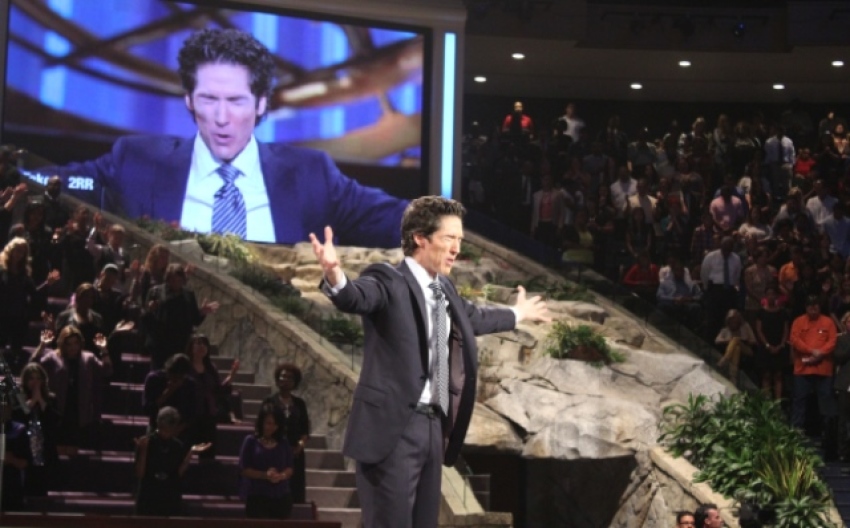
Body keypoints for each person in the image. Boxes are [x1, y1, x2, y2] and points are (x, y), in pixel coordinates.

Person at [42, 28, 407, 247]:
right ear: (189, 100)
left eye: (235, 101)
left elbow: (396, 219)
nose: (220, 118)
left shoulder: (311, 175)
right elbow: (50, 182)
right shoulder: (136, 160)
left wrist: (446, 226)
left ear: (262, 103)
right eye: (207, 100)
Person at [310, 196, 549, 528]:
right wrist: (335, 275)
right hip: (394, 429)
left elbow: (473, 318)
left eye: (460, 240)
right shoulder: (387, 280)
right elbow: (355, 297)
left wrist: (517, 314)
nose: (456, 248)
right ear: (420, 237)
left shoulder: (445, 290)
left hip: (434, 427)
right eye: (449, 238)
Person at [30, 326, 112, 455]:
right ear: (63, 344)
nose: (73, 347)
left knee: (75, 450)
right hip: (59, 409)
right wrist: (42, 346)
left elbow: (107, 371)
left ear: (80, 343)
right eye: (69, 344)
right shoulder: (53, 357)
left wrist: (104, 350)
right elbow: (33, 367)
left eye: (76, 343)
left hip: (79, 410)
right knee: (57, 449)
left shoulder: (88, 358)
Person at [134, 406, 211, 517]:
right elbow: (140, 474)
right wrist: (144, 450)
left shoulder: (177, 446)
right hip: (148, 497)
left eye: (169, 429)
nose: (166, 433)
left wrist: (190, 453)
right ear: (158, 424)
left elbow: (177, 474)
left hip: (169, 498)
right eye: (163, 429)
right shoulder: (146, 442)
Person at [144, 263, 218, 369]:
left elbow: (194, 320)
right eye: (173, 280)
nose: (176, 284)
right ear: (167, 279)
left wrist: (202, 312)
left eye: (179, 281)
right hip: (161, 343)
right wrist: (150, 310)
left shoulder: (188, 295)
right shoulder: (157, 292)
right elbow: (146, 318)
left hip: (182, 343)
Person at [789, 296, 838, 453]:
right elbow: (794, 339)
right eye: (810, 304)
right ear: (805, 306)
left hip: (823, 369)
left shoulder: (828, 322)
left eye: (816, 304)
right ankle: (795, 436)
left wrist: (820, 354)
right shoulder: (798, 321)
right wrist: (811, 352)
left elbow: (832, 341)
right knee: (799, 402)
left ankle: (828, 436)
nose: (813, 307)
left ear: (820, 306)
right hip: (802, 368)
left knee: (826, 403)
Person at [263, 363, 310, 505]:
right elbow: (262, 426)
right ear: (278, 379)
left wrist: (300, 446)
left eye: (290, 377)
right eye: (283, 376)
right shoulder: (270, 401)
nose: (286, 380)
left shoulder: (299, 404)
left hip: (295, 452)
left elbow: (305, 430)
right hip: (274, 451)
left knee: (294, 489)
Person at [186, 334, 237, 460]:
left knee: (208, 452)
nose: (201, 346)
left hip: (208, 415)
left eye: (204, 344)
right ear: (190, 347)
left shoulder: (210, 368)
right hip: (189, 414)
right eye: (198, 343)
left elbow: (218, 390)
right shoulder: (185, 366)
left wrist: (231, 375)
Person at [238, 404, 294, 519]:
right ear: (261, 422)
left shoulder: (283, 443)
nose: (271, 427)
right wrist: (265, 475)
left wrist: (281, 476)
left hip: (281, 497)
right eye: (268, 423)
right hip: (257, 497)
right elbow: (244, 470)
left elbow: (290, 467)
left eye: (275, 424)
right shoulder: (251, 441)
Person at [13, 362, 61, 497]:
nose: (35, 382)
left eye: (38, 378)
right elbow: (16, 417)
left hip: (43, 447)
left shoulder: (50, 398)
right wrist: (32, 402)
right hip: (24, 447)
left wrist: (41, 400)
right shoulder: (18, 397)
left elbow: (55, 420)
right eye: (32, 378)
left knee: (42, 485)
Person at [755, 285, 788, 400]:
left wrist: (781, 345)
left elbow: (785, 330)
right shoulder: (761, 312)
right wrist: (767, 345)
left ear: (777, 296)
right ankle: (767, 402)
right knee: (766, 375)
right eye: (768, 294)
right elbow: (759, 330)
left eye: (773, 294)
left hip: (779, 346)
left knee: (778, 375)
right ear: (765, 296)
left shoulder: (782, 312)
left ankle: (778, 402)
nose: (771, 296)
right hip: (766, 347)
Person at [715, 309, 757, 383]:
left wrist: (742, 340)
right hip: (732, 351)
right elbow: (717, 340)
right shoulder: (725, 330)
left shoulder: (745, 327)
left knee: (736, 340)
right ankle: (733, 377)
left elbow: (753, 341)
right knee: (736, 348)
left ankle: (724, 359)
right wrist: (729, 341)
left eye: (735, 318)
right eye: (732, 319)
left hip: (746, 349)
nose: (734, 321)